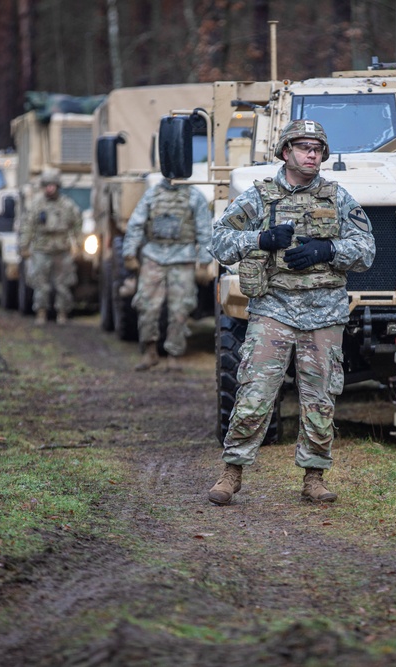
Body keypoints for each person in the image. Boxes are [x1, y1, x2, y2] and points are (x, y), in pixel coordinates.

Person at [206, 119, 375, 505]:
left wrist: (328, 250)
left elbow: (367, 250)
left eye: (317, 149)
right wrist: (260, 239)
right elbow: (218, 240)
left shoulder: (337, 197)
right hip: (274, 310)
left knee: (320, 400)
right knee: (254, 393)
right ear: (286, 152)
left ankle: (314, 478)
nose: (312, 154)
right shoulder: (259, 197)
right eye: (303, 148)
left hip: (325, 313)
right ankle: (231, 473)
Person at [122, 178, 213, 371]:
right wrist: (129, 253)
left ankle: (174, 354)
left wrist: (204, 263)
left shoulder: (194, 196)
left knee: (180, 310)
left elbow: (205, 230)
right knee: (146, 306)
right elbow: (136, 224)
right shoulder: (152, 194)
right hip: (153, 257)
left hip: (183, 259)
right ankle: (150, 352)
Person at [19, 168, 82, 325]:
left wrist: (78, 244)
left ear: (58, 186)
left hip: (62, 249)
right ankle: (41, 312)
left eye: (52, 185)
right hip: (41, 249)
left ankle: (62, 313)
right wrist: (24, 246)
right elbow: (28, 226)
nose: (50, 188)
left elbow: (77, 224)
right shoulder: (36, 205)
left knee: (63, 284)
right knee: (41, 284)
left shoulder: (67, 205)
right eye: (47, 185)